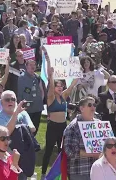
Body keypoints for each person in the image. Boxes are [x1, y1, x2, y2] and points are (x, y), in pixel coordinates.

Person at [40, 47, 78, 178]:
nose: (60, 87)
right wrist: (47, 58)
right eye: (58, 86)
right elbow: (50, 80)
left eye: (62, 85)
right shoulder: (51, 97)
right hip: (53, 127)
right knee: (49, 151)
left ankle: (63, 174)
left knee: (63, 152)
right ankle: (44, 173)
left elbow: (74, 83)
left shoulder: (64, 96)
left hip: (63, 127)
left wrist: (74, 61)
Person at [64, 96, 101, 180]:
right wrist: (94, 154)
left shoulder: (100, 124)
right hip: (80, 172)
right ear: (82, 108)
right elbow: (69, 151)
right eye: (90, 105)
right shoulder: (73, 127)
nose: (93, 107)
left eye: (94, 105)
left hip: (99, 171)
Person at [17, 60, 45, 135]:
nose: (33, 66)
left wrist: (40, 100)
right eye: (30, 65)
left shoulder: (37, 77)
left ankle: (32, 143)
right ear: (26, 66)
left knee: (35, 128)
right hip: (27, 108)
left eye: (34, 65)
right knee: (27, 129)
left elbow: (42, 90)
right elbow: (19, 93)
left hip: (37, 107)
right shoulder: (21, 78)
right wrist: (20, 106)